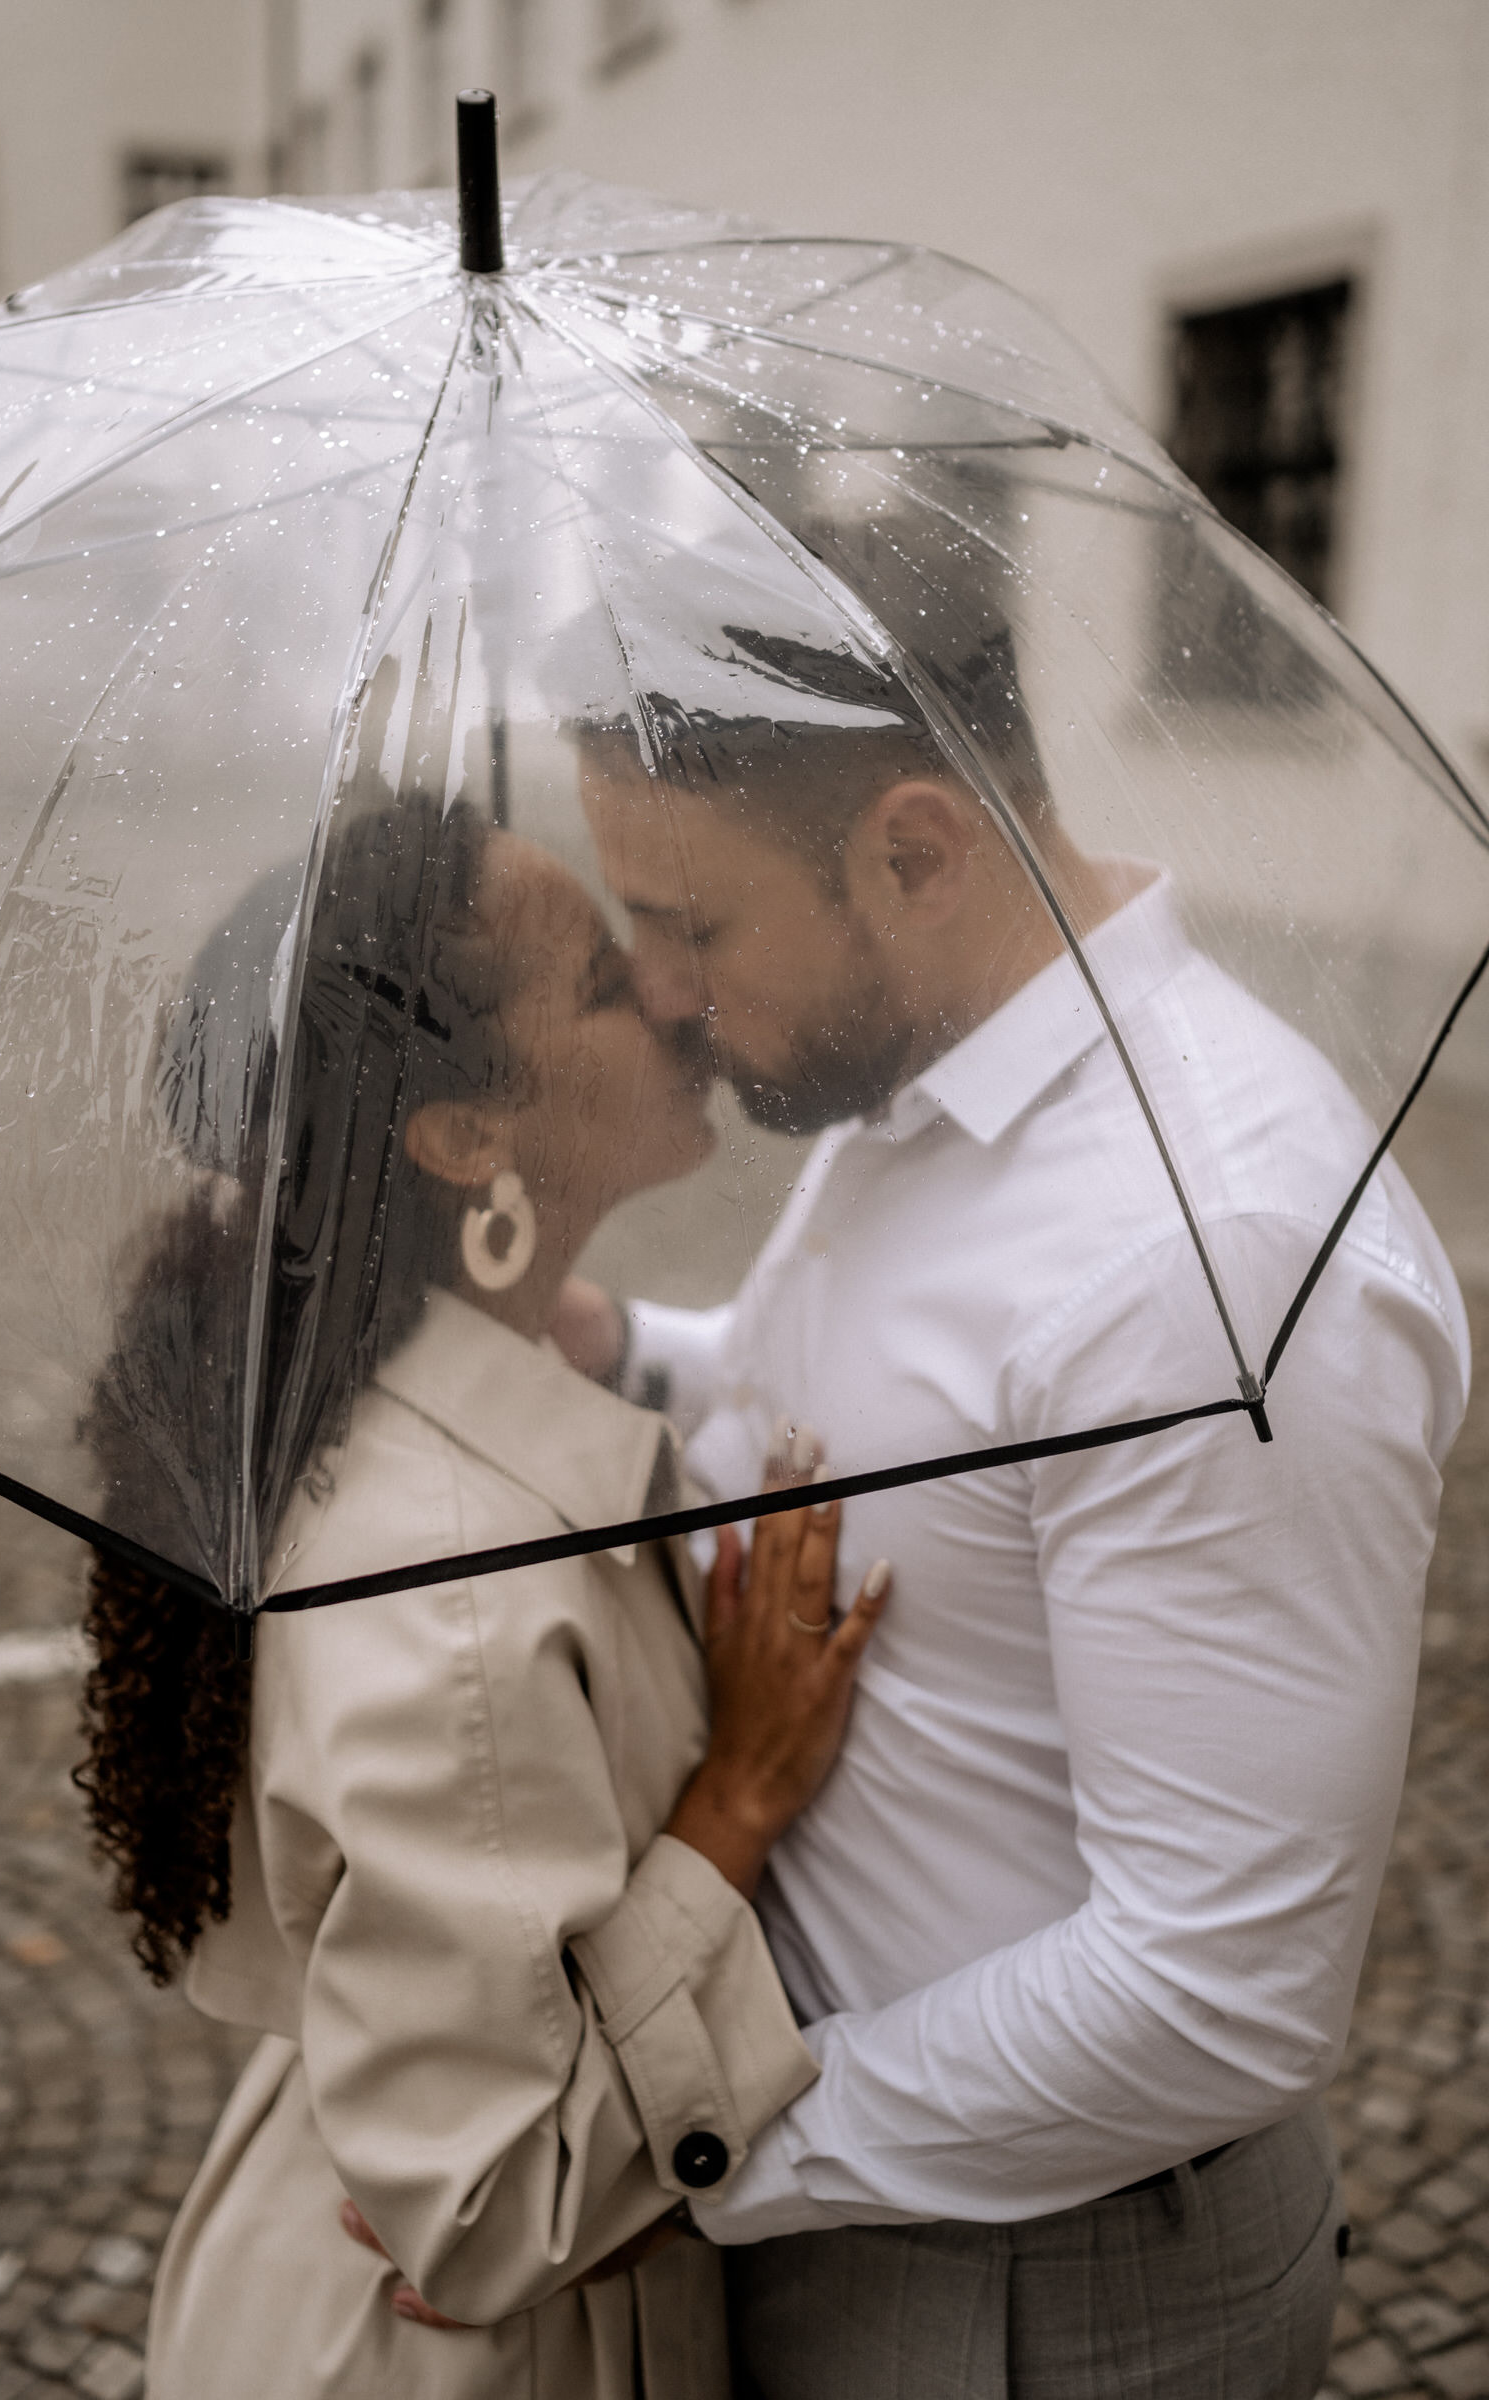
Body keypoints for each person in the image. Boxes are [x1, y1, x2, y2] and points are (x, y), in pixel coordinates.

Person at [537, 625, 1470, 2398]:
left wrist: (684, 2154)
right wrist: (632, 1351)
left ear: (914, 850)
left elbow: (1214, 1992)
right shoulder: (921, 1059)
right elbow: (886, 1403)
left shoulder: (1207, 1258)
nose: (657, 988)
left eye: (695, 925)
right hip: (856, 2193)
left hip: (1024, 2283)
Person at [74, 778, 891, 2399]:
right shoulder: (447, 1585)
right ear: (463, 1137)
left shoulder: (448, 1390)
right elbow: (489, 2205)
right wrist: (735, 1798)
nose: (675, 993)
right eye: (603, 980)